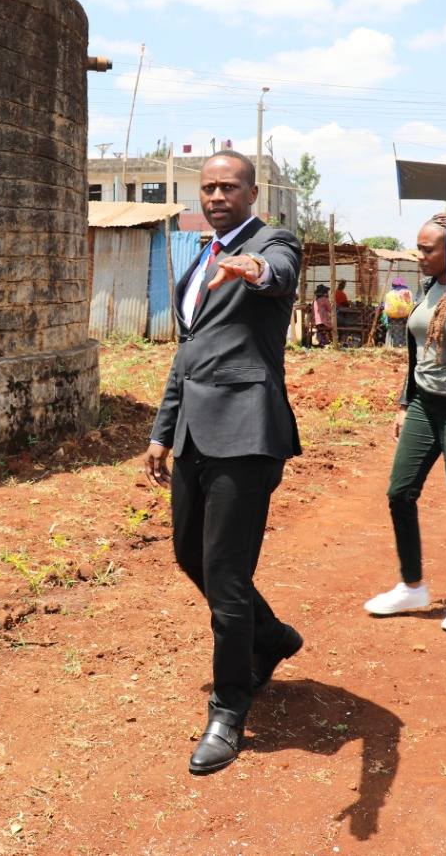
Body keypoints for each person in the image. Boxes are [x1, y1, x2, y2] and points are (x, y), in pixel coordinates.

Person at [145, 149, 304, 776]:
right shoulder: (199, 259)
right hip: (192, 432)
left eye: (228, 187)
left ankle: (229, 708)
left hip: (246, 433)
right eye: (207, 188)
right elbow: (189, 355)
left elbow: (280, 273)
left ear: (251, 191)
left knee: (227, 578)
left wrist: (252, 267)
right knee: (190, 555)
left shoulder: (272, 240)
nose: (216, 196)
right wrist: (162, 431)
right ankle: (272, 639)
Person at [364, 212, 446, 633]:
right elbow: (418, 353)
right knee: (399, 492)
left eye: (427, 249)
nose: (419, 256)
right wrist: (404, 402)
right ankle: (412, 584)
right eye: (419, 247)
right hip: (423, 405)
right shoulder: (431, 286)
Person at [383, 280, 413, 347]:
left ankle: (392, 345)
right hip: (405, 317)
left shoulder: (389, 294)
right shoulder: (407, 292)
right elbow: (410, 304)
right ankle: (403, 345)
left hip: (392, 318)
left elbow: (386, 306)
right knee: (404, 330)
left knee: (392, 331)